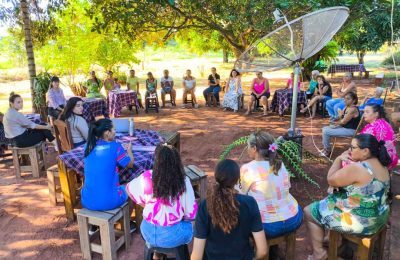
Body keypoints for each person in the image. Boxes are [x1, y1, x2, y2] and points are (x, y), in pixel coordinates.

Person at [304, 134, 391, 260]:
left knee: (309, 211)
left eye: (352, 147)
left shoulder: (359, 168)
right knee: (334, 198)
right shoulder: (382, 164)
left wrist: (338, 159)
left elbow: (331, 179)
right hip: (379, 216)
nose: (349, 150)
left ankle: (319, 253)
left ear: (365, 151)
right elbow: (366, 191)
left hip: (362, 222)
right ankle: (331, 240)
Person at [191, 159, 268, 260]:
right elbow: (262, 251)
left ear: (216, 177)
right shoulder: (250, 203)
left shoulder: (205, 206)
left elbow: (196, 257)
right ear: (237, 179)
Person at [126, 144, 197, 252]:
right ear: (177, 162)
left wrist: (146, 203)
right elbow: (191, 214)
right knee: (190, 224)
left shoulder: (147, 176)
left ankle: (157, 254)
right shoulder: (183, 181)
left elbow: (129, 189)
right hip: (173, 236)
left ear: (157, 161)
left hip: (147, 231)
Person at [239, 131, 302, 240]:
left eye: (248, 146)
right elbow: (287, 187)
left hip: (268, 226)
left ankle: (253, 250)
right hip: (294, 219)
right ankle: (273, 249)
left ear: (254, 149)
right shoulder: (280, 164)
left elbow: (240, 195)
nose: (247, 148)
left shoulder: (248, 168)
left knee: (240, 211)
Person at [82, 118, 134, 211]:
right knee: (132, 186)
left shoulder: (87, 146)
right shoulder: (115, 147)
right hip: (109, 202)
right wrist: (129, 151)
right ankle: (127, 222)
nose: (115, 131)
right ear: (107, 132)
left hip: (87, 200)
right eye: (113, 129)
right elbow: (130, 164)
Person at [358, 104, 398, 169]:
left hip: (380, 160)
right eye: (364, 112)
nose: (364, 114)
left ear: (376, 114)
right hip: (391, 158)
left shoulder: (371, 128)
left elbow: (362, 146)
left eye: (367, 112)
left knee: (346, 161)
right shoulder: (385, 123)